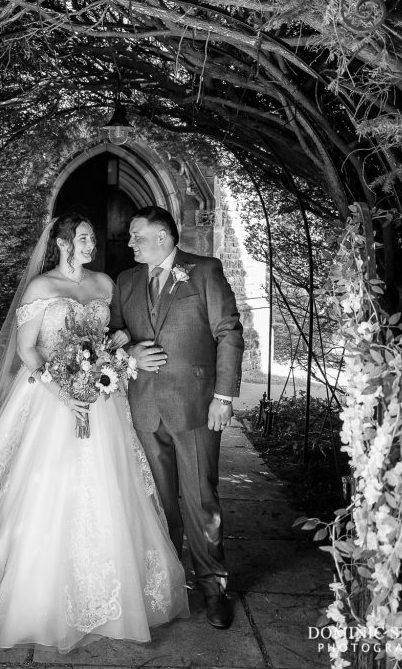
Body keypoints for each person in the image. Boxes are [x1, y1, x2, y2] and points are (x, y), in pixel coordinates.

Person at [0, 212, 189, 654]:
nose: (92, 245)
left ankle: (112, 597)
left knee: (109, 488)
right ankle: (33, 597)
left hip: (101, 400)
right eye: (84, 239)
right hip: (48, 399)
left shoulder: (105, 284)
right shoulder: (41, 288)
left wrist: (114, 353)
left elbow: (114, 334)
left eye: (92, 239)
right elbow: (27, 349)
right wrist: (63, 392)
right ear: (62, 243)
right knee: (43, 489)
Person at [110, 205, 244, 630]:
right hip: (145, 408)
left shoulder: (204, 271)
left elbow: (229, 333)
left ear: (163, 236)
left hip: (196, 406)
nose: (130, 242)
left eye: (137, 235)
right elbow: (114, 335)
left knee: (201, 498)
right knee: (158, 502)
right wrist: (130, 352)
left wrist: (223, 397)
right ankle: (167, 586)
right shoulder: (125, 281)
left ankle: (213, 588)